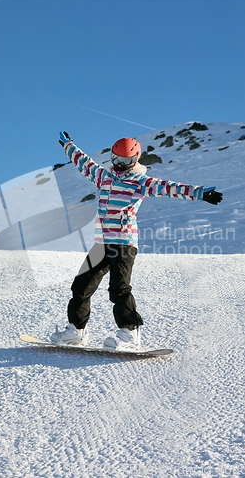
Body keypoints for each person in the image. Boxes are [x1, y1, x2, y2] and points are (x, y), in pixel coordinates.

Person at [50, 131, 223, 350]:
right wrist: (69, 147)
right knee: (81, 286)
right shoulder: (103, 177)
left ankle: (129, 334)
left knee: (119, 289)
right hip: (102, 242)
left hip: (124, 243)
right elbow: (84, 163)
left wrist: (199, 193)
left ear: (136, 159)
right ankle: (76, 331)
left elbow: (169, 187)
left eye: (126, 161)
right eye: (117, 159)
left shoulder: (141, 182)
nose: (121, 164)